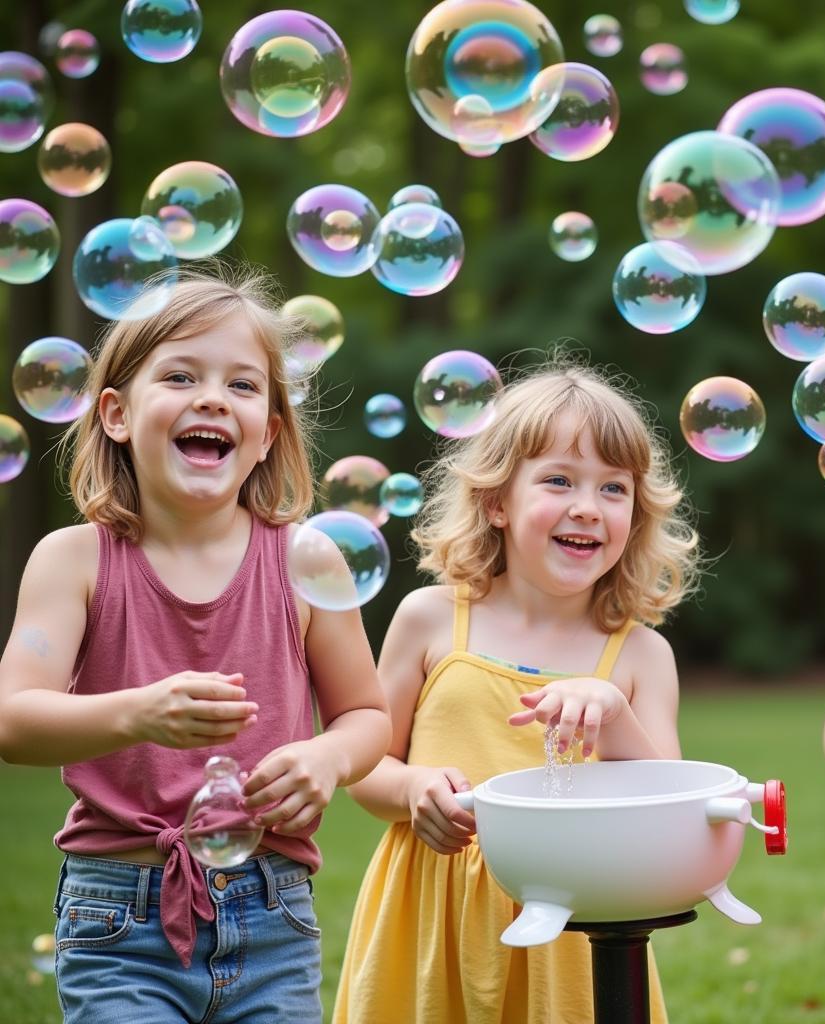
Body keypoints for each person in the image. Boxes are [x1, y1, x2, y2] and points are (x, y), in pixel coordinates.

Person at [0, 268, 391, 1023]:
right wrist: (138, 714)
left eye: (243, 387)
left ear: (268, 432)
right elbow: (13, 721)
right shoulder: (74, 559)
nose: (213, 398)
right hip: (118, 916)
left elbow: (367, 715)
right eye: (180, 376)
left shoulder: (307, 560)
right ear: (115, 413)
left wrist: (328, 758)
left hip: (274, 913)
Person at [332, 361, 700, 1024]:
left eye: (613, 488)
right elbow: (366, 766)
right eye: (559, 480)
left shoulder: (641, 655)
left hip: (578, 926)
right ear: (497, 501)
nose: (587, 505)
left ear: (636, 514)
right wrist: (413, 790)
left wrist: (612, 714)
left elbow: (664, 814)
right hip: (431, 917)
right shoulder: (431, 617)